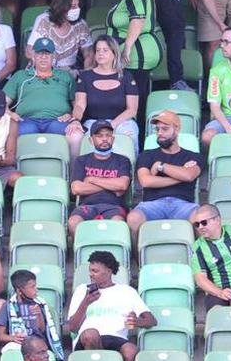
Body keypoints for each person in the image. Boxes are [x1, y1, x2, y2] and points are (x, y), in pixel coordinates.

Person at [65, 250, 157, 361]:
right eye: (90, 270)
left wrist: (138, 322)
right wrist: (86, 302)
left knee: (131, 351)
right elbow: (73, 327)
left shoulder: (127, 291)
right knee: (91, 334)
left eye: (95, 271)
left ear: (108, 271)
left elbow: (151, 320)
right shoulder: (82, 290)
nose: (91, 275)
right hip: (88, 338)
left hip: (116, 338)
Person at [127, 110, 203, 240]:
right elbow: (146, 181)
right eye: (157, 129)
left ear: (177, 129)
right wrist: (180, 176)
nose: (160, 133)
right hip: (152, 204)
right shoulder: (147, 155)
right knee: (133, 218)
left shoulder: (193, 156)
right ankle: (138, 260)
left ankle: (198, 258)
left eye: (165, 129)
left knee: (202, 218)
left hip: (184, 205)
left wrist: (160, 166)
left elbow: (189, 176)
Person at [151, 0, 224, 92]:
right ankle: (176, 81)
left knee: (179, 39)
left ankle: (177, 80)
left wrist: (219, 23)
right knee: (176, 34)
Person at [70, 35, 141, 153]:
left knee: (130, 134)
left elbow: (132, 110)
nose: (100, 54)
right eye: (98, 50)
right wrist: (76, 120)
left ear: (114, 53)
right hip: (93, 121)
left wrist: (112, 124)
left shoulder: (126, 77)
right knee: (85, 137)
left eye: (105, 50)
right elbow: (79, 105)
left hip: (121, 122)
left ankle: (131, 170)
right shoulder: (85, 76)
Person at [67, 120, 131, 238]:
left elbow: (122, 186)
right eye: (99, 136)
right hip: (86, 206)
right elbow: (76, 189)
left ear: (113, 139)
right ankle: (81, 254)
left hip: (113, 206)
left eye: (108, 135)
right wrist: (111, 186)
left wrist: (91, 179)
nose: (104, 139)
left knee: (118, 223)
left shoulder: (123, 160)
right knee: (73, 222)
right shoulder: (81, 160)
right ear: (91, 140)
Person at [2, 38, 76, 137]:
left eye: (47, 54)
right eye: (40, 53)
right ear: (33, 56)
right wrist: (10, 114)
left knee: (72, 132)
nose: (43, 57)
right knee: (16, 132)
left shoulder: (65, 76)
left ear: (53, 56)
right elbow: (2, 103)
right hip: (26, 120)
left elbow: (78, 104)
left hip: (58, 120)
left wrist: (71, 115)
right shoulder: (21, 76)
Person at [105, 0, 161, 99]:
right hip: (133, 55)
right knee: (133, 94)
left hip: (136, 54)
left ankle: (138, 119)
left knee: (135, 95)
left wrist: (127, 47)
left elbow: (138, 19)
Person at [0, 270, 65, 361]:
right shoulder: (7, 307)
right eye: (32, 287)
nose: (36, 289)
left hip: (38, 342)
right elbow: (0, 336)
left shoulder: (40, 304)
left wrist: (39, 315)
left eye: (35, 285)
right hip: (19, 344)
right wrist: (12, 338)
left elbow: (42, 330)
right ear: (19, 291)